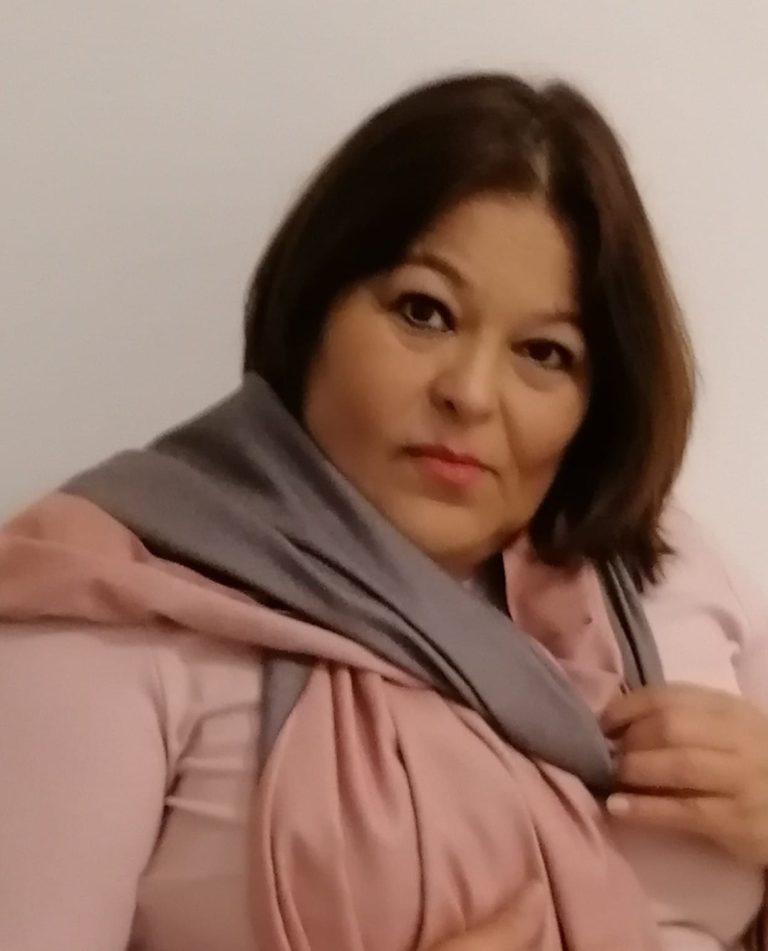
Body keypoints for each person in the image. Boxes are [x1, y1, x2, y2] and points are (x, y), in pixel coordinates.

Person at [1, 72, 767, 951]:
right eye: (423, 312)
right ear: (314, 308)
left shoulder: (666, 569)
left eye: (544, 352)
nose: (470, 392)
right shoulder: (101, 609)